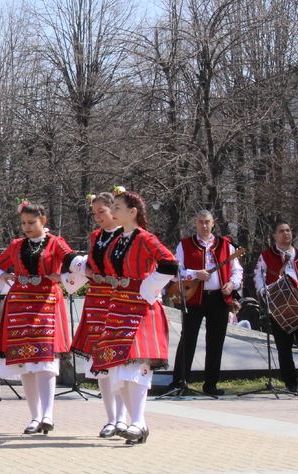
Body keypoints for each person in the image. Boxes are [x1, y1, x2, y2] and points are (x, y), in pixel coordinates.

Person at [0, 201, 73, 436]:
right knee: (26, 362)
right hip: (19, 305)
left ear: (43, 221)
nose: (26, 227)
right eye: (23, 223)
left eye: (31, 222)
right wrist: (1, 274)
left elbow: (72, 261)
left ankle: (47, 413)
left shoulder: (55, 243)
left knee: (45, 358)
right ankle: (34, 415)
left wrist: (63, 276)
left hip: (47, 302)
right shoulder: (17, 245)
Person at [90, 189, 179, 445]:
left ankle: (138, 422)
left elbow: (170, 263)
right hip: (118, 306)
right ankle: (137, 423)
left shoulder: (145, 238)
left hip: (141, 308)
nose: (113, 211)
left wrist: (148, 286)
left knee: (135, 364)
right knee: (119, 369)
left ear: (133, 212)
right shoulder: (117, 239)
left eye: (117, 207)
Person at [68, 193, 127, 437]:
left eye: (101, 212)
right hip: (96, 299)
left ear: (114, 210)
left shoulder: (127, 234)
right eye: (95, 214)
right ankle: (110, 418)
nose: (98, 218)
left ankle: (123, 418)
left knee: (119, 358)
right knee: (100, 360)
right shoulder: (95, 236)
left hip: (118, 296)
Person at [169, 210, 242, 396]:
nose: (204, 225)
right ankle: (179, 381)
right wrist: (195, 274)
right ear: (195, 223)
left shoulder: (226, 245)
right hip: (193, 297)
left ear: (213, 223)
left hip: (219, 298)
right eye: (200, 222)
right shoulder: (185, 245)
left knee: (216, 342)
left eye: (207, 222)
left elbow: (237, 271)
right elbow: (176, 272)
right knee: (188, 339)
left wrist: (232, 284)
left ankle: (211, 384)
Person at [254, 221, 297, 393]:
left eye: (288, 230)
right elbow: (258, 276)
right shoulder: (267, 255)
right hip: (279, 306)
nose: (286, 234)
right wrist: (263, 293)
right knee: (284, 347)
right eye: (281, 231)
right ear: (274, 236)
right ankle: (291, 383)